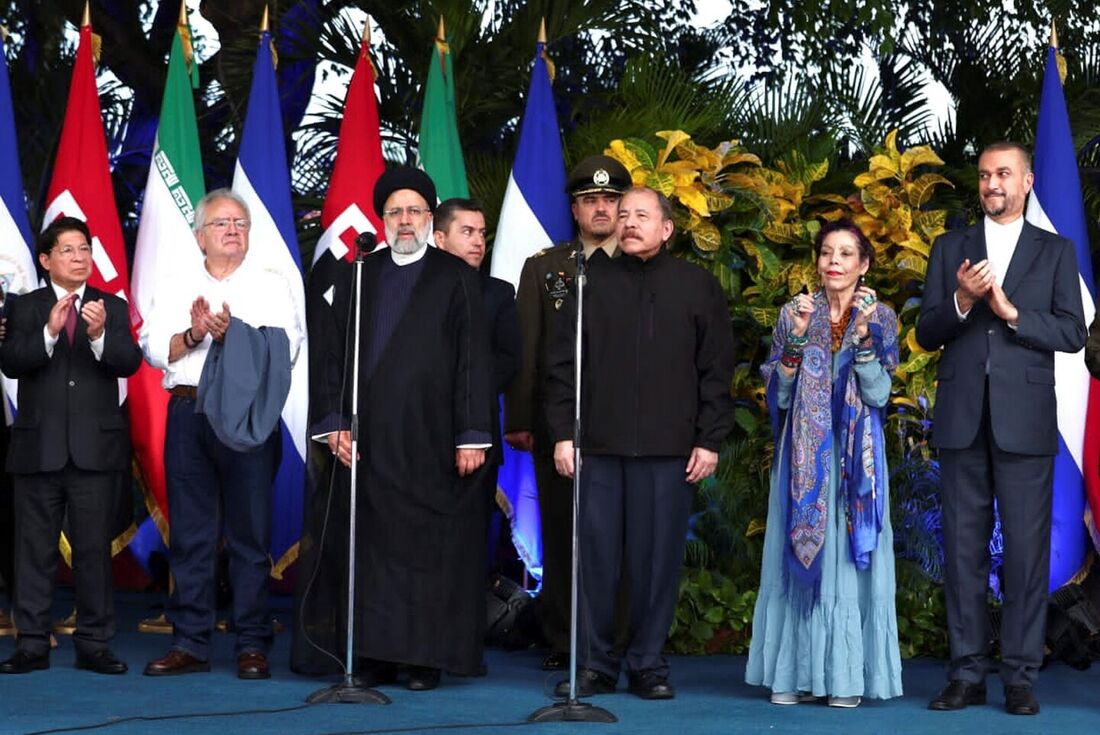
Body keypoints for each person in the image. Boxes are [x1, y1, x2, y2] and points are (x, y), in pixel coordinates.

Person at [305, 168, 492, 691]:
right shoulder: (359, 274)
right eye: (395, 211)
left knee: (426, 550)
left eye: (414, 211)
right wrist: (333, 423)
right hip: (368, 443)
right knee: (371, 549)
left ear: (430, 219)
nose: (404, 220)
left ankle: (423, 658)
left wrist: (471, 433)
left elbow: (473, 360)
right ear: (381, 219)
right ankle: (375, 653)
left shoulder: (455, 276)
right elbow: (331, 357)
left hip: (433, 440)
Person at [546, 186, 735, 699]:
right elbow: (561, 367)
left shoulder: (696, 286)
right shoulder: (587, 283)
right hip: (598, 448)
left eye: (641, 216)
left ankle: (648, 663)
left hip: (668, 450)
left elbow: (716, 370)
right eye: (623, 215)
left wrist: (710, 439)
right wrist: (564, 434)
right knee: (597, 560)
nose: (628, 223)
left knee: (655, 563)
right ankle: (595, 665)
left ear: (667, 228)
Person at [917, 142, 1086, 716]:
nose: (992, 183)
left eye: (1004, 174)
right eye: (986, 174)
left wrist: (1014, 315)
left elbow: (1073, 334)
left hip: (1026, 423)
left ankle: (1019, 676)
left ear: (1028, 180)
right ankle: (966, 674)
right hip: (963, 422)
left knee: (1025, 554)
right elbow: (925, 333)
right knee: (962, 551)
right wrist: (962, 301)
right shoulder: (950, 248)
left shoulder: (1055, 251)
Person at [142, 189, 303, 680]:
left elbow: (289, 348)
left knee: (249, 536)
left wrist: (235, 336)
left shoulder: (274, 284)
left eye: (240, 223)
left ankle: (251, 642)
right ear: (199, 236)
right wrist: (194, 335)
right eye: (221, 223)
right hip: (189, 413)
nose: (232, 230)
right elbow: (152, 348)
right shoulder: (174, 281)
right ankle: (191, 641)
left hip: (247, 418)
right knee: (191, 536)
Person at [744, 219, 903, 708]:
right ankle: (793, 676)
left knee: (850, 566)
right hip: (803, 458)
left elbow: (878, 393)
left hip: (858, 459)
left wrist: (862, 341)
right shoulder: (796, 312)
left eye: (846, 254)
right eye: (826, 252)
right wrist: (793, 341)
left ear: (864, 264)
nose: (834, 261)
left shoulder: (881, 317)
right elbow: (783, 397)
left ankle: (845, 679)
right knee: (796, 560)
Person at [504, 154, 631, 670]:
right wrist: (519, 419)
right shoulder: (546, 268)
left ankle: (614, 641)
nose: (600, 209)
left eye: (610, 200)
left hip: (627, 429)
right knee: (558, 531)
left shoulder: (639, 265)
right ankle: (562, 638)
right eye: (589, 201)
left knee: (620, 538)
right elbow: (528, 347)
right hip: (558, 426)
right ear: (575, 211)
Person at [0, 216, 142, 675]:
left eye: (85, 249)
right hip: (37, 449)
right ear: (45, 259)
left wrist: (99, 335)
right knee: (33, 550)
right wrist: (48, 333)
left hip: (94, 452)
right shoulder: (24, 307)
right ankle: (33, 643)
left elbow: (129, 364)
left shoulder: (111, 306)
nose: (80, 258)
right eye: (69, 250)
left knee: (93, 552)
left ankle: (95, 643)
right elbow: (12, 362)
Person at [433, 198, 521, 560]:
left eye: (482, 233)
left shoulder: (498, 293)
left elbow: (509, 359)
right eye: (466, 232)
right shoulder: (414, 291)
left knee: (469, 545)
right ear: (439, 238)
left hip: (477, 436)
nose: (478, 242)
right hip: (420, 437)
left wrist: (463, 394)